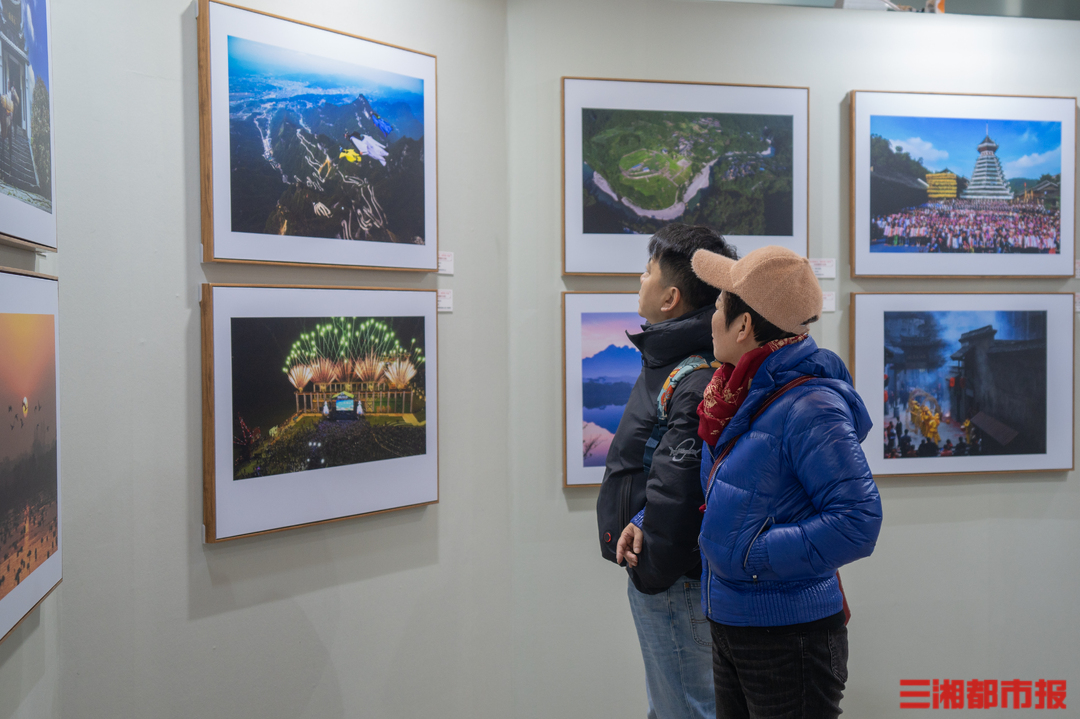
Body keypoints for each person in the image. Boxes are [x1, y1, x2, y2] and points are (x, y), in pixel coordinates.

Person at [690, 245, 882, 719]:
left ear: (744, 326)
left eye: (718, 305)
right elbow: (731, 495)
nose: (711, 316)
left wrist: (750, 554)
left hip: (789, 636)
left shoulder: (809, 407)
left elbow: (858, 521)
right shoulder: (738, 395)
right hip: (733, 624)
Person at [596, 223, 738, 719]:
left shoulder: (693, 375)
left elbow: (681, 491)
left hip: (675, 584)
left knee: (688, 710)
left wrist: (651, 573)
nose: (639, 278)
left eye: (648, 271)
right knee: (673, 706)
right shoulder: (673, 360)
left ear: (671, 297)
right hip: (668, 577)